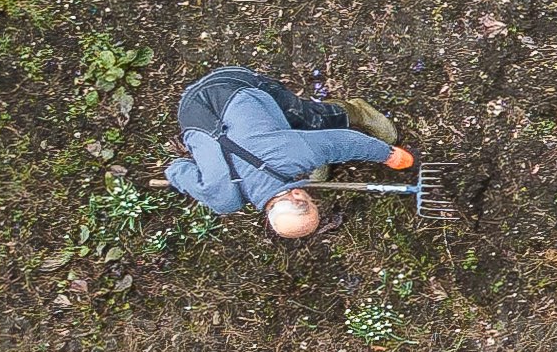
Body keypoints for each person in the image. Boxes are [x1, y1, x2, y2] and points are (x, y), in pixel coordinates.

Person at [162, 65, 402, 237]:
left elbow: (343, 142)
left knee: (312, 120)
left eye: (313, 203)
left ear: (296, 195)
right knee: (308, 148)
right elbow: (177, 169)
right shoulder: (222, 201)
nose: (313, 199)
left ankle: (357, 110)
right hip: (189, 110)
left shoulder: (292, 155)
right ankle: (319, 159)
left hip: (233, 84)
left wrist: (389, 154)